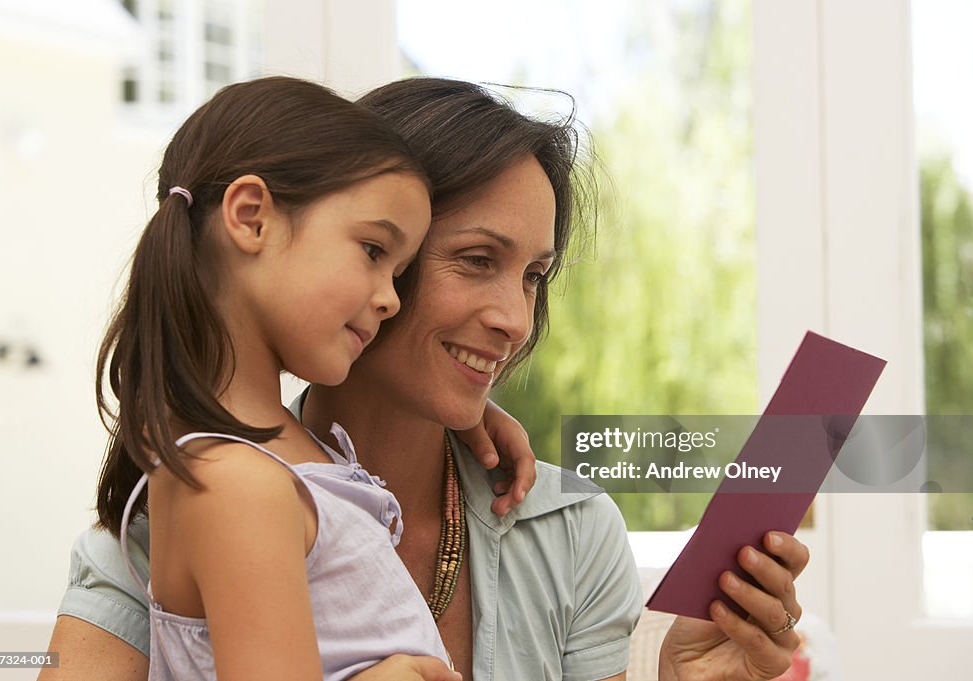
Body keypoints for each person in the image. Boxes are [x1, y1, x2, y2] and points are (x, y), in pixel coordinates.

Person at [41, 77, 809, 681]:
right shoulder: (182, 508)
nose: (515, 317)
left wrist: (678, 678)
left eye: (534, 275)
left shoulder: (570, 530)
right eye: (476, 260)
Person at [84, 74, 472, 681]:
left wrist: (476, 419)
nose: (390, 299)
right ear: (251, 217)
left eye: (398, 274)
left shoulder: (276, 463)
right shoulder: (237, 484)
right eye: (374, 251)